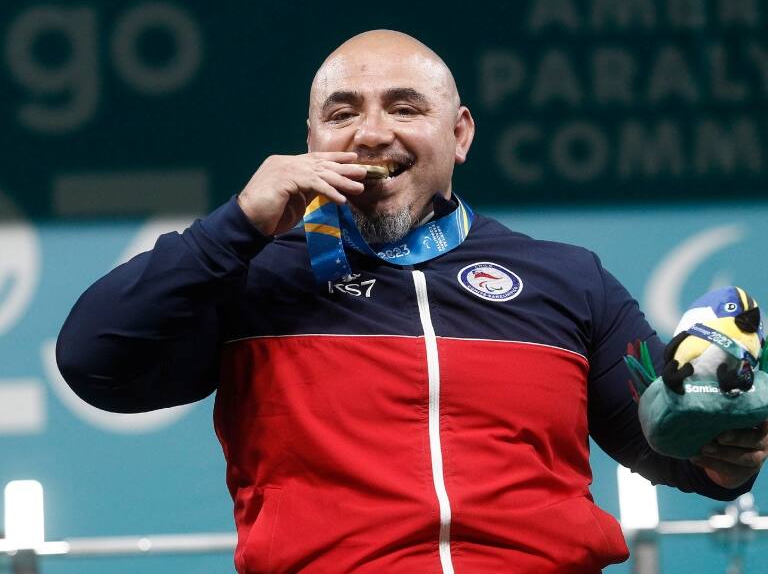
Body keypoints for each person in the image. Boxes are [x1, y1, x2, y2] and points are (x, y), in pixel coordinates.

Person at [56, 30, 768, 574]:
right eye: (343, 113)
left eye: (404, 107)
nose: (372, 132)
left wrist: (728, 452)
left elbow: (672, 444)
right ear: (310, 142)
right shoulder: (255, 277)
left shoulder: (567, 280)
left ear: (458, 135)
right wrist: (236, 223)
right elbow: (95, 362)